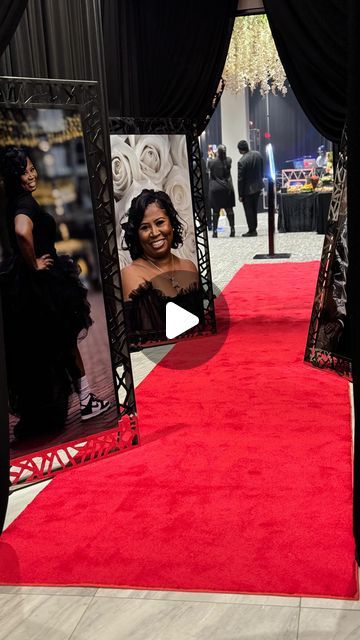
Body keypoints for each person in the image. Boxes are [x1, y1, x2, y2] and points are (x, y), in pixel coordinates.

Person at [0, 146, 110, 441]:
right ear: (15, 176)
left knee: (52, 346)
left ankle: (79, 400)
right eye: (25, 171)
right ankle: (86, 401)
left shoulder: (16, 200)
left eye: (33, 168)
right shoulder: (23, 203)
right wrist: (34, 262)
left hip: (30, 283)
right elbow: (22, 231)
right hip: (41, 283)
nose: (32, 174)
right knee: (65, 340)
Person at [121, 189, 202, 342]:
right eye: (145, 227)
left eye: (160, 223)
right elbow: (147, 338)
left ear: (171, 224)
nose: (154, 232)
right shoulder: (130, 275)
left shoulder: (189, 267)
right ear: (136, 235)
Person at [237, 140, 264, 237]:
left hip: (247, 190)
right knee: (254, 209)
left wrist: (240, 194)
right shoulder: (258, 155)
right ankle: (254, 228)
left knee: (248, 210)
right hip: (258, 186)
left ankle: (252, 230)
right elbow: (262, 170)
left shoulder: (241, 161)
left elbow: (240, 180)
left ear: (240, 150)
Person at [208, 145, 236, 238]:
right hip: (227, 188)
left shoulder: (211, 162)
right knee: (229, 210)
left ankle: (215, 232)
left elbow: (211, 173)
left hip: (216, 189)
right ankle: (232, 229)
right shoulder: (229, 160)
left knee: (216, 212)